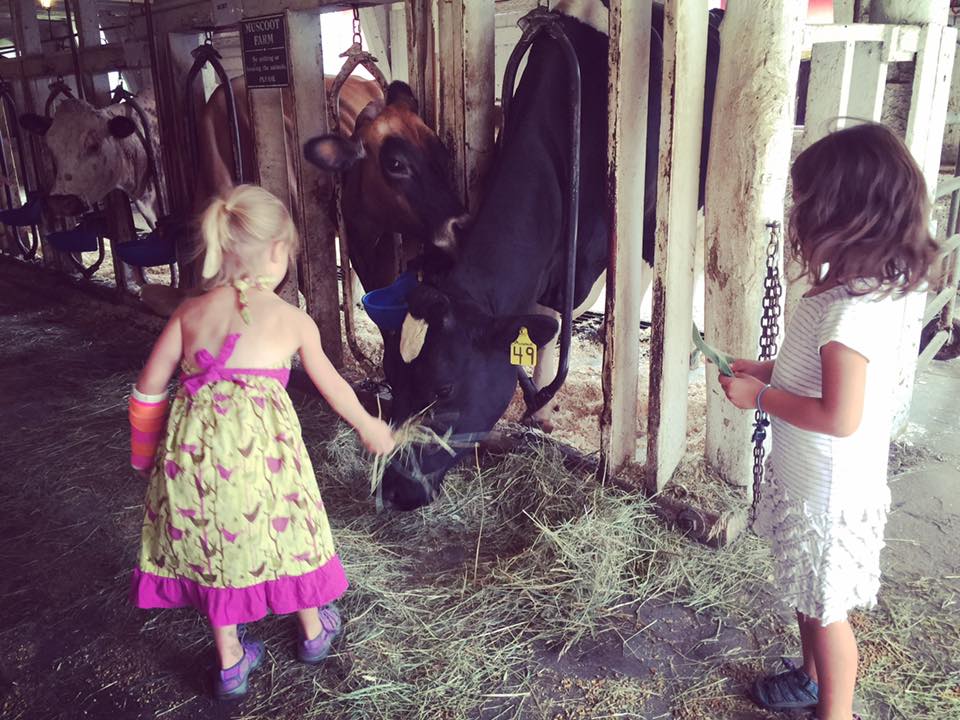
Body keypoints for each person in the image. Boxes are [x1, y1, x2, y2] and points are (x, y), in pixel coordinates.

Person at [127, 184, 395, 699]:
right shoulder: (293, 320)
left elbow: (147, 389)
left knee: (211, 541)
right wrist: (367, 425)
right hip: (267, 464)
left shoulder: (188, 314)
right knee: (289, 531)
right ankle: (314, 632)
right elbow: (333, 385)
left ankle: (231, 662)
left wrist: (146, 457)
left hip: (195, 464)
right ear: (278, 252)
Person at [718, 122, 940, 720]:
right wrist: (759, 370)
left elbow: (840, 415)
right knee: (809, 596)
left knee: (827, 612)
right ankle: (809, 678)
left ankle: (831, 710)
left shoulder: (849, 313)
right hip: (811, 483)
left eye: (805, 204)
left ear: (843, 215)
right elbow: (810, 377)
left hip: (829, 491)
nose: (797, 216)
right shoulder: (860, 289)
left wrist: (758, 401)